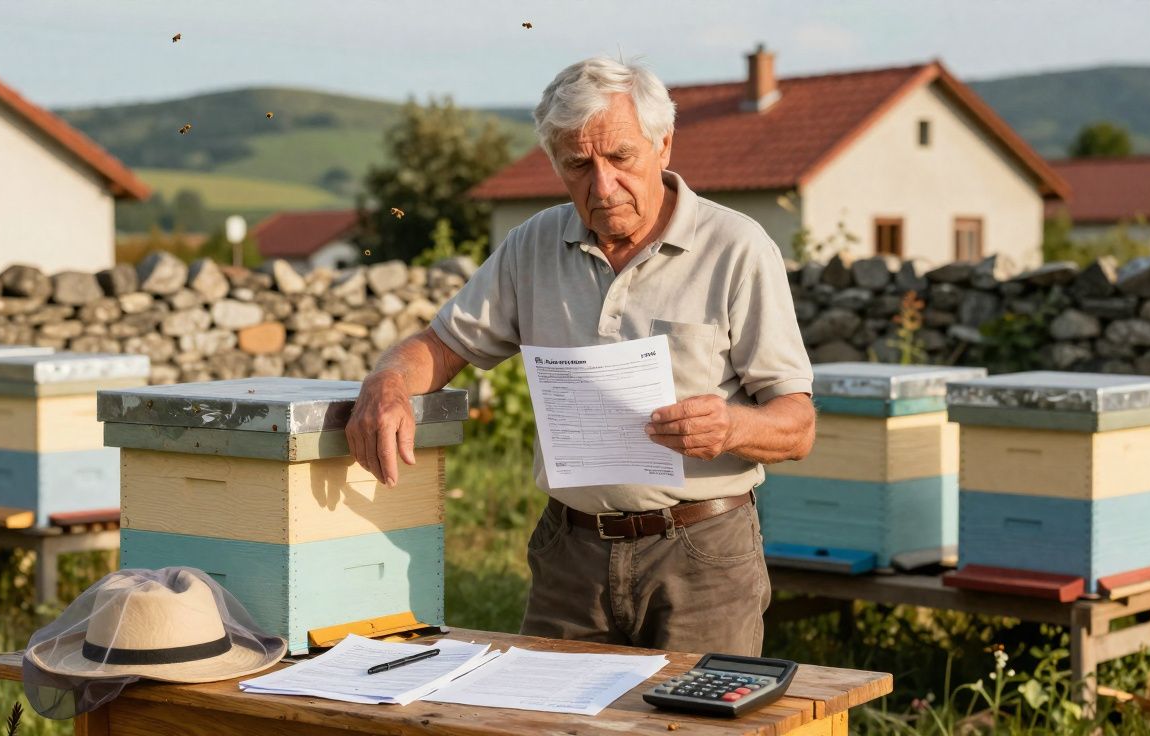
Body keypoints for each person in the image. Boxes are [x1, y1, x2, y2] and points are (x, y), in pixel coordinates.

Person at [345, 57, 815, 655]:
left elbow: (796, 426)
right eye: (577, 164)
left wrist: (731, 426)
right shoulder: (532, 244)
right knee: (546, 716)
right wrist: (387, 382)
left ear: (662, 145)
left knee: (697, 723)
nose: (602, 185)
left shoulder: (738, 248)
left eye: (621, 158)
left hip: (704, 553)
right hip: (571, 552)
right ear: (555, 165)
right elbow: (440, 346)